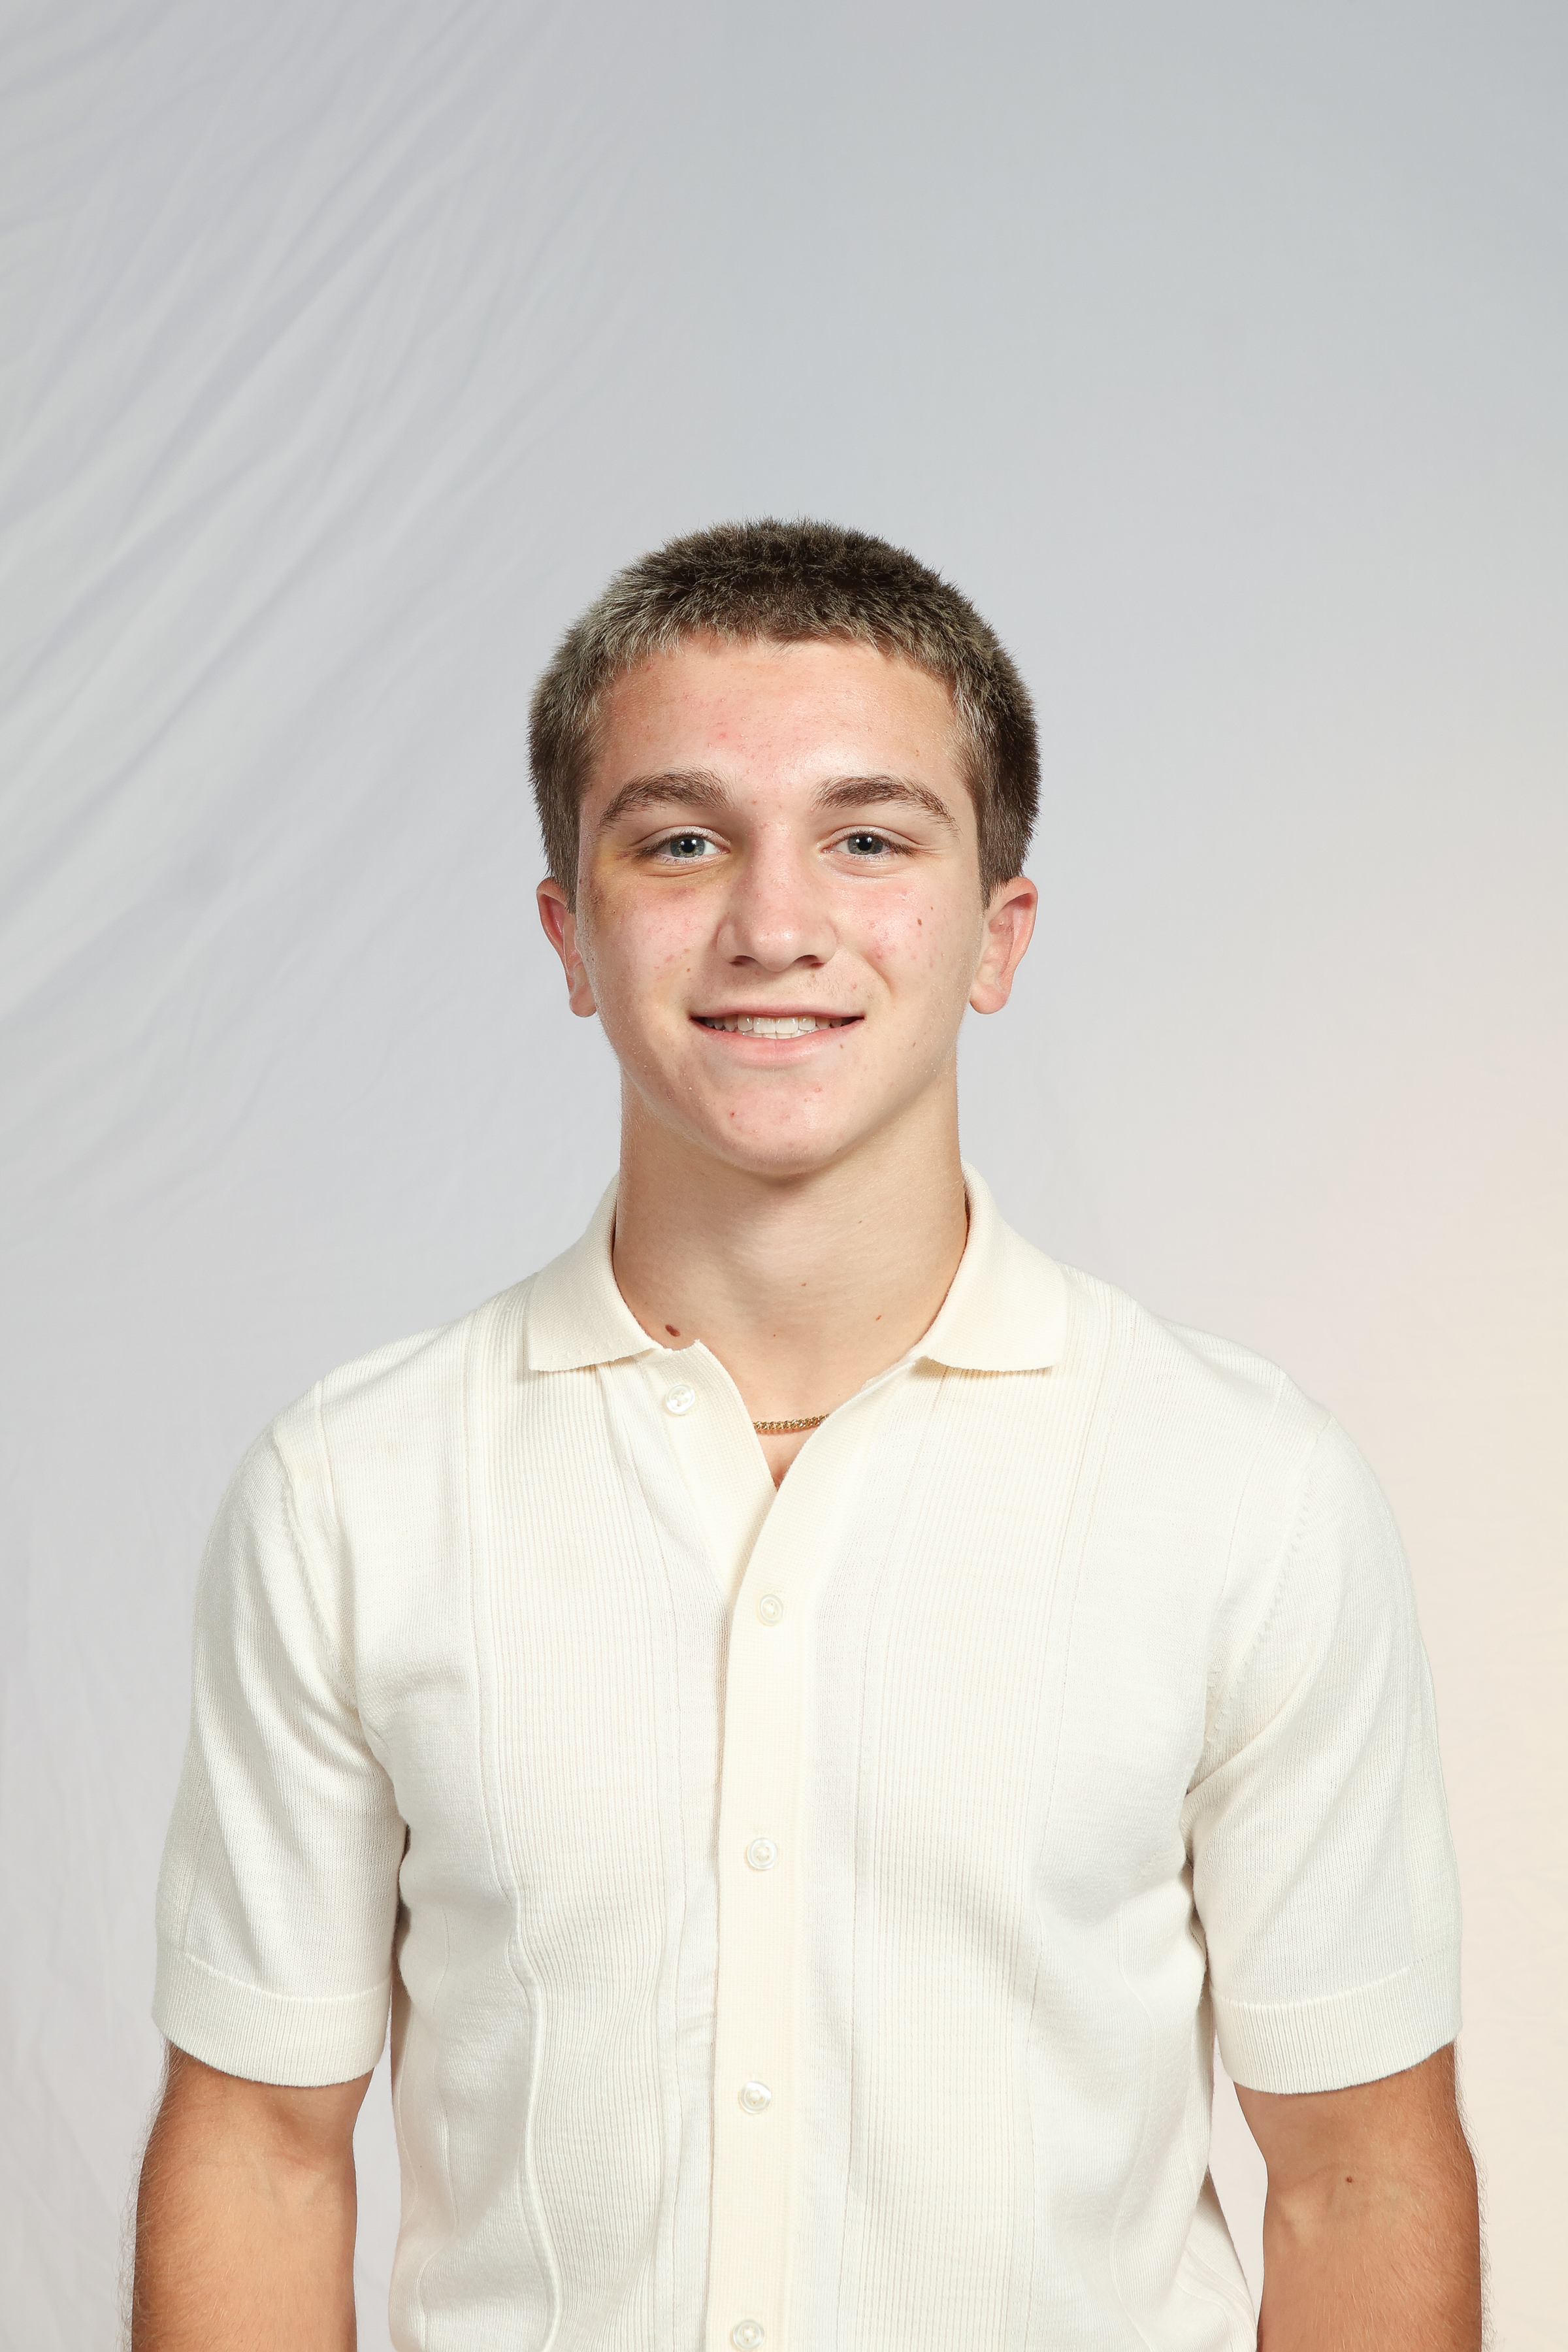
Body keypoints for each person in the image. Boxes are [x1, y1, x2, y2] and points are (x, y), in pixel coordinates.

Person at [133, 520, 1481, 2351]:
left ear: (998, 932)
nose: (775, 925)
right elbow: (262, 2152)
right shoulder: (349, 1494)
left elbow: (1359, 2176)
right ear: (571, 934)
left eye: (869, 838)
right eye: (681, 840)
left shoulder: (1247, 1492)